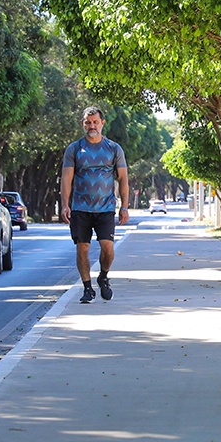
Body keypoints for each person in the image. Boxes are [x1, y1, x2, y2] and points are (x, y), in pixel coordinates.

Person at [60, 106, 130, 303]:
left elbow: (123, 178)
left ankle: (103, 277)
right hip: (80, 208)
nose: (92, 126)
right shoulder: (74, 149)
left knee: (108, 248)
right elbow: (66, 178)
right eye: (88, 122)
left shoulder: (113, 148)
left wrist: (124, 207)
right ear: (83, 124)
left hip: (106, 208)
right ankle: (87, 288)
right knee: (82, 248)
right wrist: (65, 205)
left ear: (102, 123)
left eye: (95, 122)